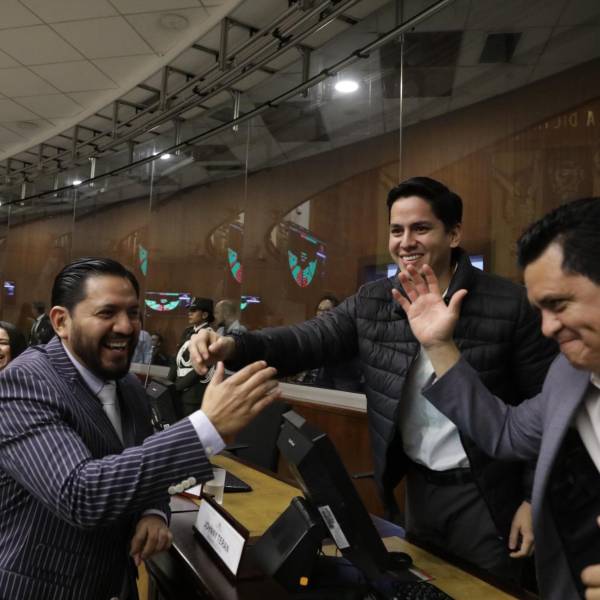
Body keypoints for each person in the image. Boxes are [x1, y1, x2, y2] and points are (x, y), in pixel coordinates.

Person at [188, 177, 557, 581]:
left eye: (421, 228)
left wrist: (531, 498)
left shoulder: (510, 305)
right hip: (417, 488)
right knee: (424, 586)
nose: (406, 242)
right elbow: (307, 339)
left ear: (453, 234)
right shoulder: (374, 301)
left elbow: (542, 410)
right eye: (397, 230)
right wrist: (233, 345)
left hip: (488, 495)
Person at [0, 257, 280, 600]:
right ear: (61, 321)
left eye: (133, 313)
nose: (126, 327)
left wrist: (153, 512)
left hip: (115, 582)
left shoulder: (129, 385)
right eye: (107, 313)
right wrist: (205, 428)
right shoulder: (23, 383)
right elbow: (81, 493)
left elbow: (143, 465)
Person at [393, 196, 600, 600]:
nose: (547, 328)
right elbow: (504, 432)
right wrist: (439, 346)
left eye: (558, 305)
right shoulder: (567, 375)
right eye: (540, 310)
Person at [170, 297, 215, 417]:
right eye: (189, 310)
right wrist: (169, 383)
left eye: (194, 311)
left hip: (193, 394)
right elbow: (176, 359)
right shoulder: (187, 331)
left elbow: (201, 369)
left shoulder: (209, 335)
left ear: (205, 315)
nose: (189, 313)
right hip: (178, 389)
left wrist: (177, 387)